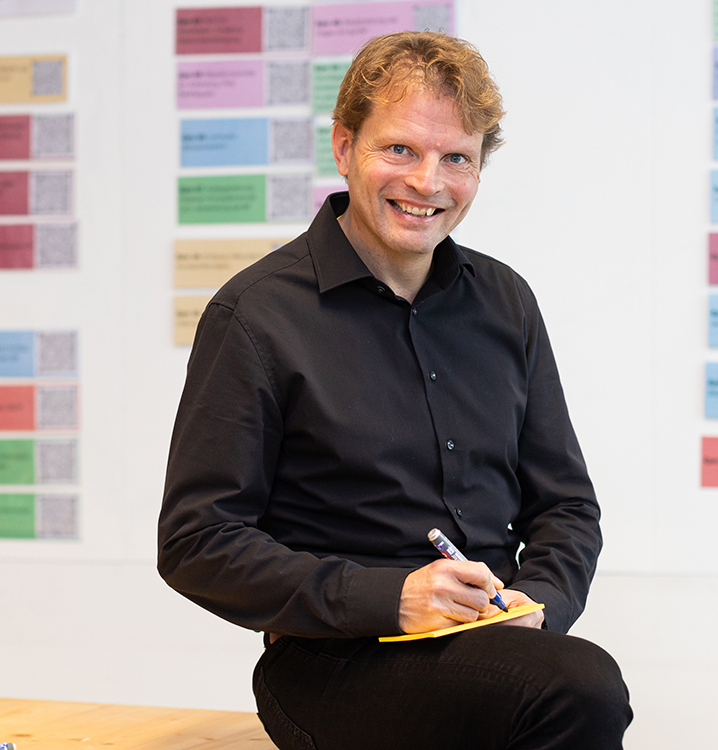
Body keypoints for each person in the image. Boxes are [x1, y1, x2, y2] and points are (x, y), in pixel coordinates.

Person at [158, 31, 632, 750]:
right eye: (401, 149)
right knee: (576, 687)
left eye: (456, 159)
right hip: (334, 663)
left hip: (501, 647)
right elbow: (197, 542)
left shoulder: (506, 301)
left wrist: (540, 602)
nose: (428, 183)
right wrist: (391, 597)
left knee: (560, 681)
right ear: (344, 147)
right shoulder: (255, 315)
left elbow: (565, 505)